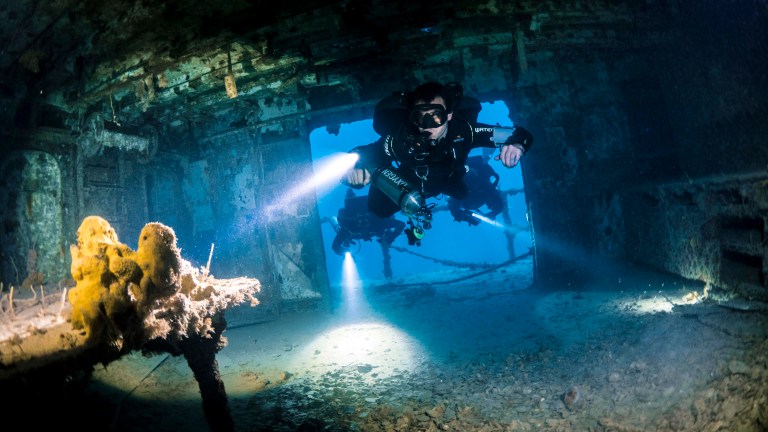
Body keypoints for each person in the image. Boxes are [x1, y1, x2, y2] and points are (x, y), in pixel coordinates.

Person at [341, 81, 533, 231]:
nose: (427, 125)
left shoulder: (466, 132)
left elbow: (519, 134)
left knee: (463, 194)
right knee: (378, 209)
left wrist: (516, 145)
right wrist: (352, 166)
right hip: (409, 183)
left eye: (436, 116)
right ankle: (381, 176)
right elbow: (366, 151)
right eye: (420, 117)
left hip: (450, 179)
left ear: (449, 114)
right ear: (412, 118)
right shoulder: (403, 139)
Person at [447, 154, 505, 226]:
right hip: (470, 202)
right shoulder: (459, 187)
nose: (470, 176)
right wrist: (467, 218)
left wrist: (493, 214)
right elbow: (454, 209)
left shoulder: (485, 185)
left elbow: (499, 204)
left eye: (471, 172)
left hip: (475, 200)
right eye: (467, 174)